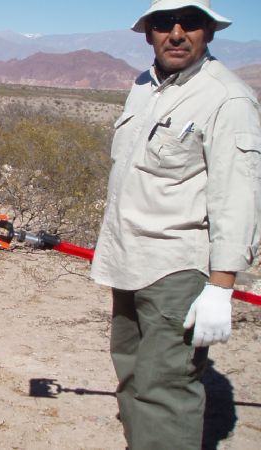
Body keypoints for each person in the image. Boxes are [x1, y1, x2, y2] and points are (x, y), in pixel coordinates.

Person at [90, 0, 261, 448]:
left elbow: (237, 198)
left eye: (192, 23)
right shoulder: (145, 86)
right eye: (165, 22)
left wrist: (221, 287)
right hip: (129, 259)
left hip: (176, 271)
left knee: (164, 388)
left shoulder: (228, 99)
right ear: (149, 33)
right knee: (130, 371)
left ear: (209, 32)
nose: (177, 32)